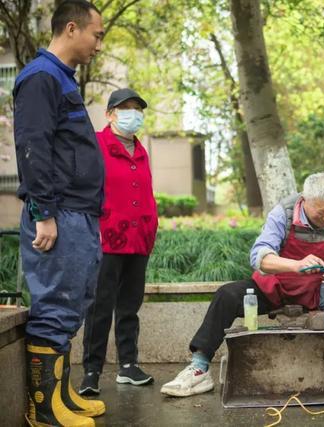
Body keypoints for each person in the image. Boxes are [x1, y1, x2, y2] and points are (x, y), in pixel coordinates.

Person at [160, 172, 324, 397]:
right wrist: (296, 265)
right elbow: (259, 257)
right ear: (305, 201)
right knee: (227, 295)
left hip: (318, 292)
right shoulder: (283, 213)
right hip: (275, 290)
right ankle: (199, 368)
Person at [13, 1, 106, 426]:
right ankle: (44, 410)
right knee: (55, 306)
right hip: (59, 214)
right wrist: (44, 212)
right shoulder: (40, 78)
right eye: (97, 35)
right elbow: (33, 149)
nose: (98, 45)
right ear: (72, 28)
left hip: (78, 213)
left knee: (72, 306)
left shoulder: (60, 78)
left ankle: (62, 397)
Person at [78, 88, 158, 396]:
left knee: (129, 306)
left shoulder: (140, 149)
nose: (132, 113)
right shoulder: (96, 144)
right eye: (124, 108)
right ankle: (91, 371)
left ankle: (128, 366)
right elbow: (85, 188)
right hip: (107, 238)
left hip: (139, 239)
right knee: (100, 306)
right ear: (109, 114)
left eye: (137, 108)